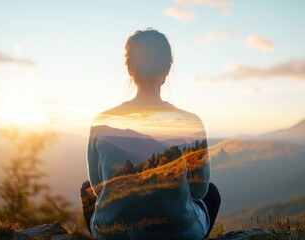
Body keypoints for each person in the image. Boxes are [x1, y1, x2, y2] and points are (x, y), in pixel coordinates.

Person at [81, 28, 221, 240]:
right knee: (212, 194)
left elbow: (98, 188)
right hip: (177, 234)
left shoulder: (103, 122)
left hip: (115, 234)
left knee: (86, 190)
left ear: (130, 69)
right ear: (166, 70)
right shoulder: (190, 123)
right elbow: (198, 191)